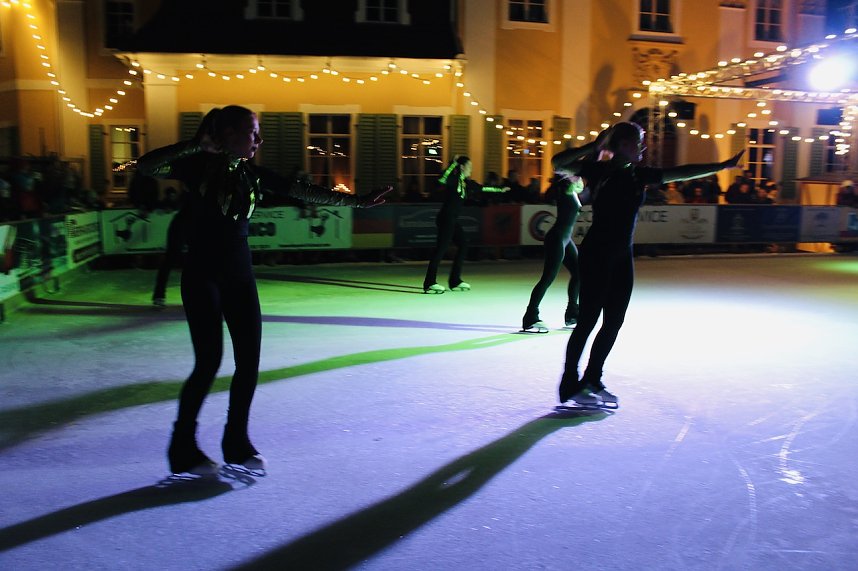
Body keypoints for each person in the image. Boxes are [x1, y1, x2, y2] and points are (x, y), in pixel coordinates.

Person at [137, 105, 390, 475]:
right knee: (208, 363)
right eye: (251, 131)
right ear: (226, 135)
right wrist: (194, 146)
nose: (259, 139)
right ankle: (182, 446)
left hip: (240, 277)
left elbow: (306, 192)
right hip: (202, 274)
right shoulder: (195, 166)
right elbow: (147, 166)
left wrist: (357, 200)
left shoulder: (253, 174)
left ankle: (236, 442)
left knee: (248, 364)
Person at [551, 121, 743, 406]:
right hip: (597, 253)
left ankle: (592, 377)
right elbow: (558, 162)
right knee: (588, 320)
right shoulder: (598, 170)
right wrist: (595, 146)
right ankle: (569, 384)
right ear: (624, 145)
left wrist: (720, 166)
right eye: (639, 141)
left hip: (622, 257)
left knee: (614, 321)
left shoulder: (640, 175)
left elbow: (682, 173)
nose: (643, 146)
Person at [521, 173, 585, 332]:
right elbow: (577, 182)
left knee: (579, 273)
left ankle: (572, 313)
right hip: (556, 238)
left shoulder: (573, 191)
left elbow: (582, 185)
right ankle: (530, 316)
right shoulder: (567, 190)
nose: (579, 179)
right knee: (547, 278)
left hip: (565, 238)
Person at [422, 155, 475, 294]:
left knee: (463, 244)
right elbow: (441, 180)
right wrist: (453, 164)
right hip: (445, 218)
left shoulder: (465, 183)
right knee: (441, 249)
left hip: (452, 219)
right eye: (469, 166)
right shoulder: (453, 179)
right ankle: (429, 283)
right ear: (462, 167)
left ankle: (455, 280)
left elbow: (483, 188)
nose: (471, 169)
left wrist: (501, 189)